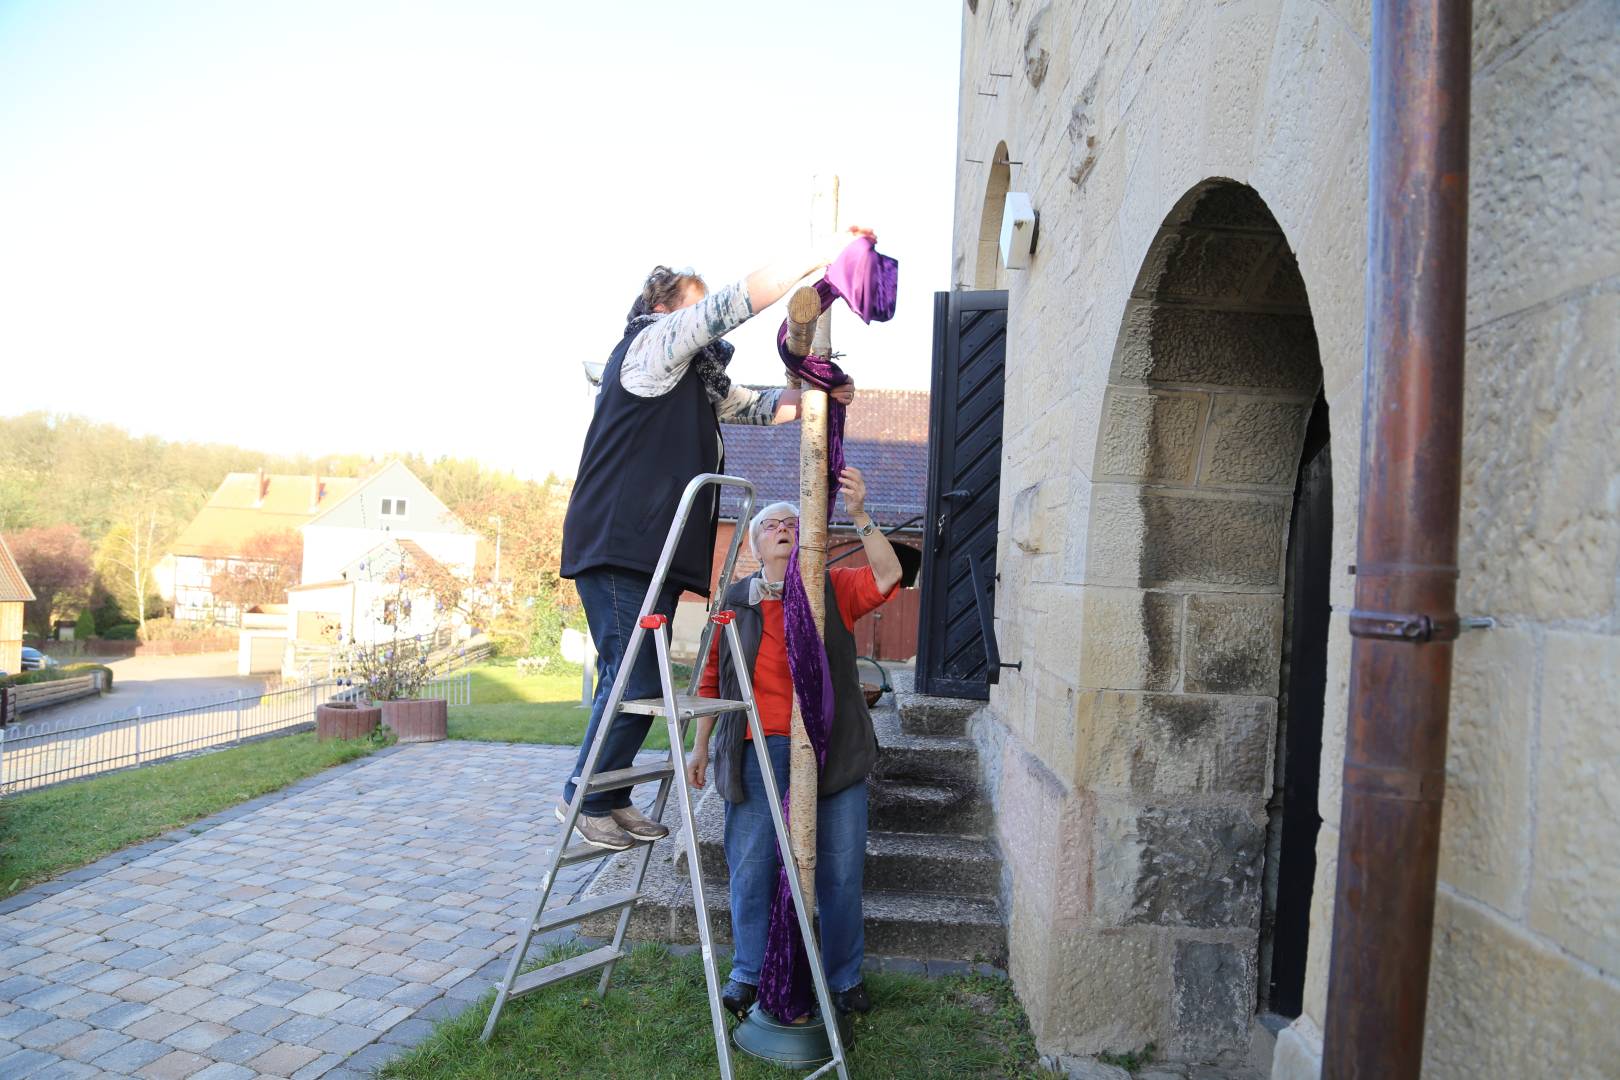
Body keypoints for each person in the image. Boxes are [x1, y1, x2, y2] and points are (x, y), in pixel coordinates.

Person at [557, 232, 870, 852]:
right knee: (634, 679)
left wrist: (820, 392)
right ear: (667, 308)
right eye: (693, 311)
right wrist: (818, 253)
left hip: (659, 552)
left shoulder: (697, 385)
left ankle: (610, 796)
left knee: (638, 680)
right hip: (621, 542)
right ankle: (586, 798)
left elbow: (763, 408)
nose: (703, 326)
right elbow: (734, 303)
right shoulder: (651, 346)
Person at [688, 465, 901, 1019]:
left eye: (793, 523)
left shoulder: (832, 587)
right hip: (758, 750)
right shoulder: (734, 600)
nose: (784, 528)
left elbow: (887, 575)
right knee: (752, 866)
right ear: (756, 544)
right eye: (772, 525)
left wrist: (859, 516)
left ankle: (843, 979)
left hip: (835, 754)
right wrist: (698, 746)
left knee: (839, 872)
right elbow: (712, 679)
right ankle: (750, 974)